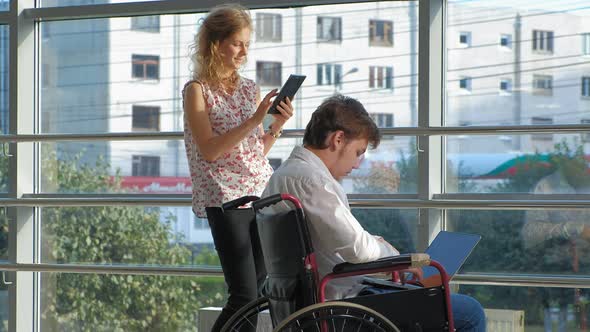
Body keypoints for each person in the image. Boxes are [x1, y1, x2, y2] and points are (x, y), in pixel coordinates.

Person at [261, 94, 486, 331]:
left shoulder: (280, 177)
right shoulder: (313, 181)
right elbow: (356, 247)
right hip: (344, 306)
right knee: (469, 311)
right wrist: (395, 256)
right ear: (338, 139)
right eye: (358, 151)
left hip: (302, 304)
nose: (358, 164)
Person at [182, 4, 293, 331]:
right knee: (243, 293)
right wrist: (256, 119)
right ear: (215, 44)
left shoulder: (249, 89)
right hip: (225, 200)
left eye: (246, 43)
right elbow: (211, 151)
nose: (244, 50)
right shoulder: (196, 91)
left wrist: (275, 125)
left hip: (259, 193)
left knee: (256, 293)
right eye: (236, 43)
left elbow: (253, 151)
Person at [521, 155, 590, 332]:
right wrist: (575, 228)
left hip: (585, 267)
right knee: (557, 322)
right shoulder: (545, 187)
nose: (582, 167)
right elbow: (530, 233)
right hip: (556, 268)